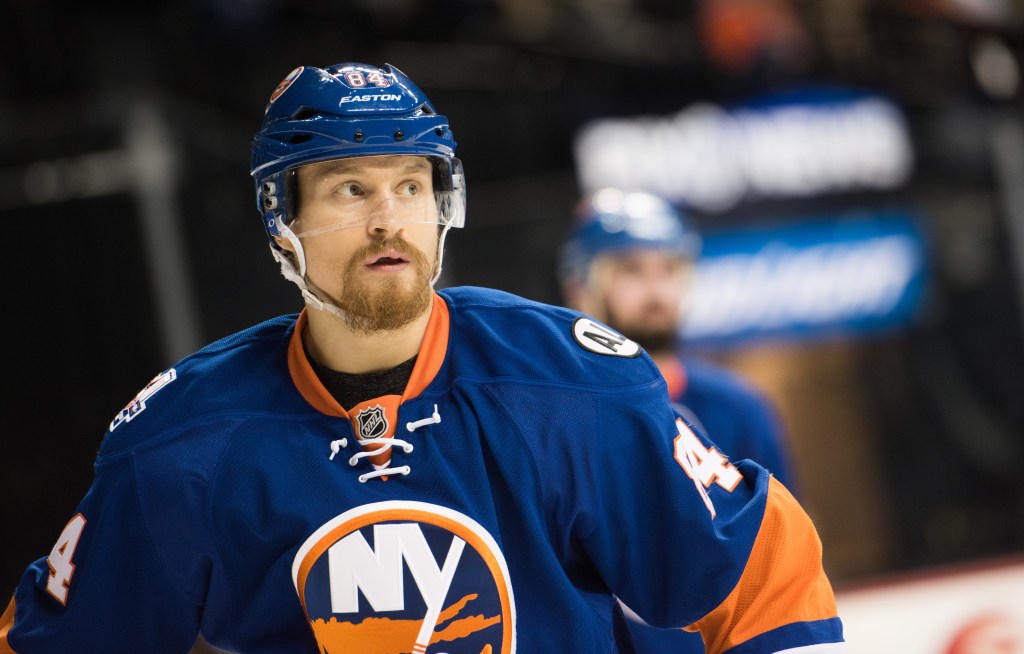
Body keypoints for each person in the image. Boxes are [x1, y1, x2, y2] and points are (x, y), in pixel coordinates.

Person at [0, 62, 845, 653]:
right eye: (349, 189)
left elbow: (764, 572)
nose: (389, 219)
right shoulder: (183, 442)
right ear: (280, 222)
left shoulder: (574, 384)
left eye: (410, 186)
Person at [559, 187, 801, 651]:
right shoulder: (555, 417)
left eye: (668, 269)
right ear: (580, 286)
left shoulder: (741, 410)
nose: (656, 290)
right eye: (630, 270)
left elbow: (780, 563)